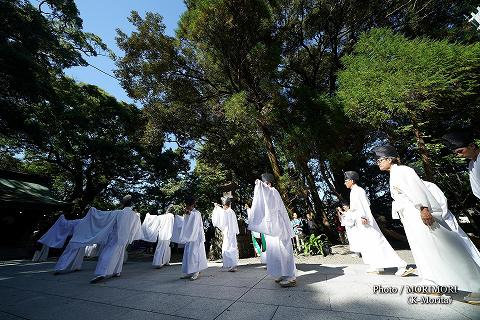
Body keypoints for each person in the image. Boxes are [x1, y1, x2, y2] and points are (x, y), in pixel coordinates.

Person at [374, 145, 480, 304]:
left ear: (389, 159)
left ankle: (477, 286)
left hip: (419, 215)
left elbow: (417, 191)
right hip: (409, 218)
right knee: (423, 250)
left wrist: (424, 208)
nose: (378, 163)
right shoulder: (394, 174)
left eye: (380, 160)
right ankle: (432, 282)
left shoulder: (403, 170)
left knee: (442, 248)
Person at [341, 170, 412, 276]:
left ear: (351, 180)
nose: (345, 183)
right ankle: (376, 266)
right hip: (360, 222)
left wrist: (364, 216)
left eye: (346, 180)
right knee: (368, 245)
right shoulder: (354, 191)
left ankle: (401, 265)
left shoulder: (358, 190)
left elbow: (364, 205)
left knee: (377, 242)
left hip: (364, 221)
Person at [248, 173, 296, 287]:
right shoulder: (269, 191)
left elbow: (266, 193)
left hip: (279, 227)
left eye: (264, 184)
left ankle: (291, 277)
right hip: (272, 227)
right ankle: (282, 274)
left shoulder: (273, 191)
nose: (262, 187)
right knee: (275, 252)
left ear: (269, 183)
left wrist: (260, 184)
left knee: (284, 251)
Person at [90, 195, 142, 283]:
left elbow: (103, 217)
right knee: (120, 253)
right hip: (125, 238)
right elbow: (135, 228)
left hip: (115, 237)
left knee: (108, 253)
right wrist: (131, 237)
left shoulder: (119, 212)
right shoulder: (135, 215)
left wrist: (94, 211)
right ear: (132, 204)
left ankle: (103, 272)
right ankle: (117, 271)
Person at [443, 131, 480, 200]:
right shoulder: (471, 164)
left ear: (472, 146)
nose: (459, 155)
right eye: (456, 153)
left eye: (460, 151)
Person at [179, 196, 208, 281]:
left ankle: (196, 272)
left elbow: (193, 218)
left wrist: (189, 214)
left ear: (191, 205)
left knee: (195, 254)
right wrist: (186, 214)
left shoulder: (196, 213)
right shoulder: (190, 212)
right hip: (189, 237)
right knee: (188, 254)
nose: (186, 207)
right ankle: (189, 271)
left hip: (196, 237)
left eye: (187, 205)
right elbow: (186, 223)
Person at [212, 196, 239, 271]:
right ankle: (231, 265)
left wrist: (217, 208)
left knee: (229, 248)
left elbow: (221, 218)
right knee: (229, 248)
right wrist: (218, 208)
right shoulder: (231, 211)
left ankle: (232, 265)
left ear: (225, 205)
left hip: (229, 233)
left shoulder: (228, 211)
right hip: (230, 233)